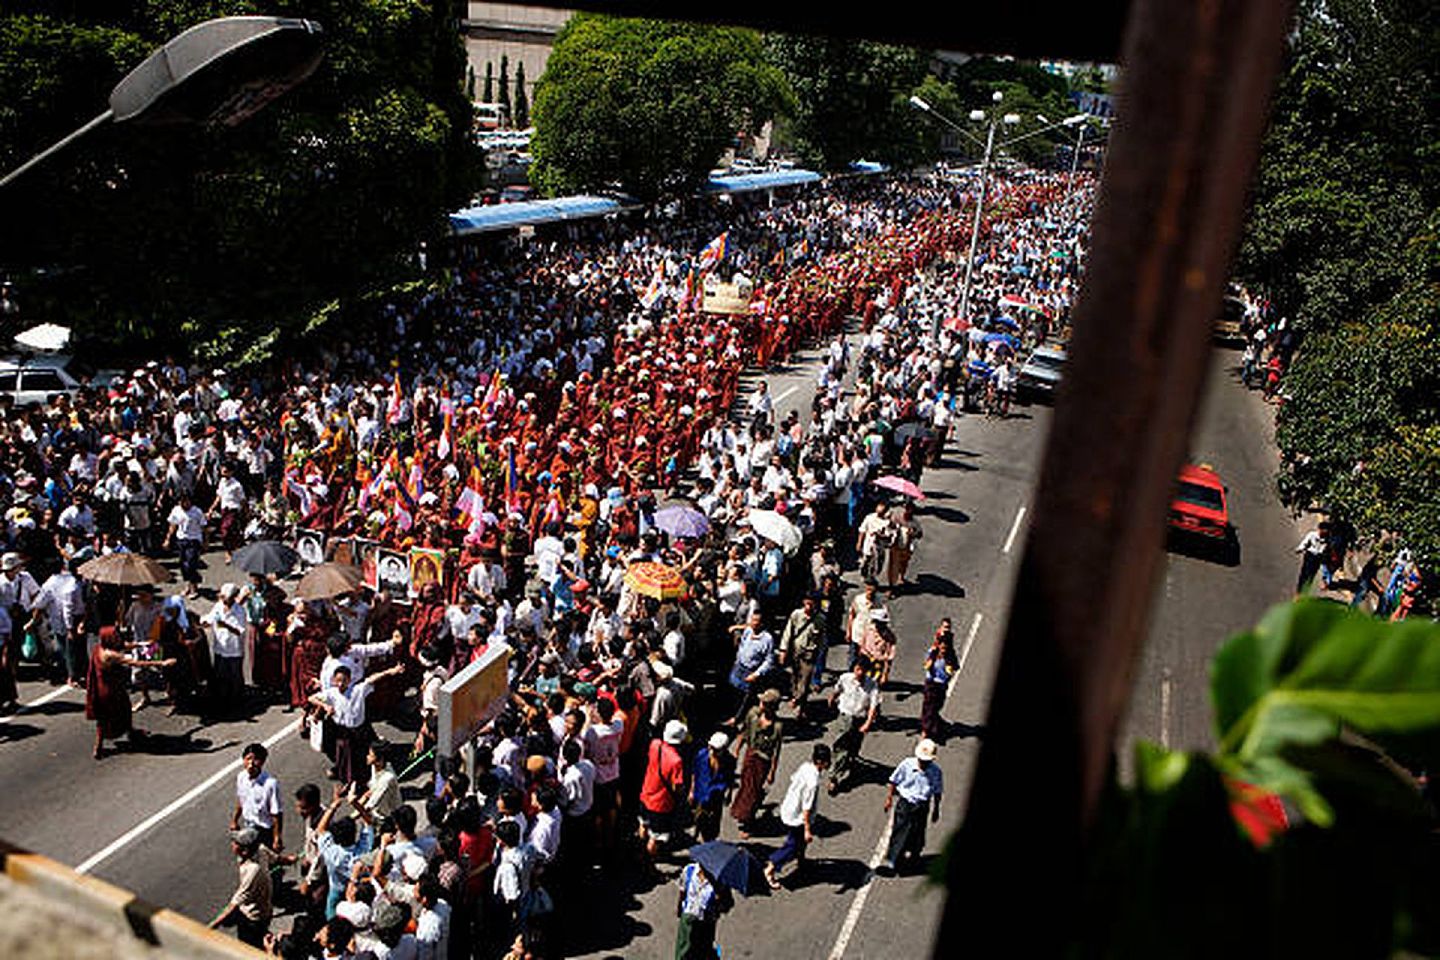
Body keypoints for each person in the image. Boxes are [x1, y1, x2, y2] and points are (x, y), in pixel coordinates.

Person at [308, 661, 406, 788]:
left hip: (360, 730)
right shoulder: (331, 693)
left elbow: (372, 679)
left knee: (364, 758)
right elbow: (312, 698)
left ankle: (367, 782)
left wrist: (390, 671)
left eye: (343, 681)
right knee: (345, 759)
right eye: (337, 681)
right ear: (333, 680)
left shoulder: (358, 690)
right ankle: (348, 782)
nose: (340, 684)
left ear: (349, 680)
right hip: (342, 732)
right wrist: (325, 706)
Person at [86, 625, 174, 759]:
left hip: (104, 688)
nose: (118, 638)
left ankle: (124, 734)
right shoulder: (110, 655)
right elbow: (136, 662)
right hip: (110, 691)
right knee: (116, 713)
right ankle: (101, 745)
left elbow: (124, 645)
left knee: (109, 715)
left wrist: (141, 644)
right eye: (115, 636)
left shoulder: (100, 648)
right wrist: (162, 663)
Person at [764, 743, 831, 889]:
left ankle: (801, 861)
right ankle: (771, 867)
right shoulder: (813, 782)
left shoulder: (806, 766)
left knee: (799, 841)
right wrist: (807, 829)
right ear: (821, 762)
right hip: (796, 816)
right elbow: (806, 808)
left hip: (789, 807)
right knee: (793, 845)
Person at [878, 738, 944, 876]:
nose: (924, 763)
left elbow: (937, 791)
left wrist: (936, 809)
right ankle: (892, 862)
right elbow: (893, 781)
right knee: (899, 832)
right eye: (922, 759)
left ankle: (913, 857)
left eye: (927, 761)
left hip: (922, 806)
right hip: (906, 804)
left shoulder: (936, 772)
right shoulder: (907, 764)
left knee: (918, 833)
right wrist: (889, 799)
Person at [208, 826, 275, 948]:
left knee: (249, 944)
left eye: (236, 843)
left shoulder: (252, 871)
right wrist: (289, 860)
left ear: (245, 850)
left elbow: (234, 904)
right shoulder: (261, 850)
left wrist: (212, 926)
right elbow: (276, 859)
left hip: (254, 917)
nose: (232, 844)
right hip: (264, 909)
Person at [729, 689, 783, 838]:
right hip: (750, 756)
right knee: (746, 787)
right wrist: (737, 750)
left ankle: (748, 821)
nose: (760, 704)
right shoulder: (753, 714)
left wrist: (772, 771)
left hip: (763, 762)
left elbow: (776, 751)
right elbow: (744, 732)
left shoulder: (777, 726)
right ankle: (744, 814)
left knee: (752, 791)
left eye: (764, 703)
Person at [827, 658, 880, 794]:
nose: (859, 672)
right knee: (841, 747)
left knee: (854, 747)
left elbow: (873, 706)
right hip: (845, 717)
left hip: (859, 719)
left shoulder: (872, 685)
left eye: (862, 670)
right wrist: (832, 698)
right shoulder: (845, 678)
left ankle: (848, 764)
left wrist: (868, 723)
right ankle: (834, 777)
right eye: (857, 669)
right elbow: (837, 689)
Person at [638, 718, 689, 859]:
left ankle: (640, 849)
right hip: (661, 804)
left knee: (644, 823)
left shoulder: (655, 745)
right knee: (656, 836)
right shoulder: (676, 760)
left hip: (646, 793)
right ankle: (649, 860)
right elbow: (677, 786)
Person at [674, 858, 733, 960]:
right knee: (683, 949)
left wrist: (720, 897)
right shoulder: (689, 870)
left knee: (703, 950)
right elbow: (682, 892)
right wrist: (679, 909)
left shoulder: (720, 880)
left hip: (707, 922)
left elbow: (727, 905)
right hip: (688, 919)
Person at [205, 583, 249, 714]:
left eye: (227, 598)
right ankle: (221, 700)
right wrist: (204, 622)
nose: (224, 600)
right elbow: (210, 618)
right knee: (220, 675)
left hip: (234, 649)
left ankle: (237, 701)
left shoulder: (239, 611)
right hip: (220, 647)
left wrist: (225, 625)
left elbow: (239, 631)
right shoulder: (218, 606)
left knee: (235, 676)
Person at [232, 742, 284, 851]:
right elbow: (241, 800)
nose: (251, 763)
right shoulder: (241, 777)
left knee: (270, 860)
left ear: (262, 761)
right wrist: (235, 820)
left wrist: (277, 837)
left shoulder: (270, 784)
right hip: (249, 825)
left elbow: (276, 814)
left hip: (264, 830)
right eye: (248, 759)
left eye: (255, 759)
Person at [778, 592, 825, 715]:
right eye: (807, 602)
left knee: (805, 681)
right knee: (794, 678)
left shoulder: (820, 619)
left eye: (811, 603)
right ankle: (798, 698)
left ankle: (799, 703)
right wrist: (783, 650)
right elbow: (788, 632)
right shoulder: (796, 615)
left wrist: (819, 655)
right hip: (795, 652)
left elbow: (822, 639)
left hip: (809, 655)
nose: (809, 606)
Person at [689, 731, 734, 843]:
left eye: (716, 750)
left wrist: (729, 794)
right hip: (701, 793)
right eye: (711, 748)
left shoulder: (729, 761)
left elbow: (730, 778)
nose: (712, 751)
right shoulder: (701, 755)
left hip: (716, 796)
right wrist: (691, 790)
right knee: (699, 818)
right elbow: (695, 773)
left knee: (713, 823)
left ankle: (709, 841)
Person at [921, 620, 959, 741]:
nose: (943, 648)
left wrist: (950, 671)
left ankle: (937, 725)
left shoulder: (950, 657)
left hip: (941, 685)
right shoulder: (932, 653)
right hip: (931, 683)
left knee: (936, 707)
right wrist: (930, 661)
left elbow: (954, 668)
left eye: (945, 646)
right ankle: (927, 731)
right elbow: (926, 665)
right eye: (941, 646)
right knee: (928, 708)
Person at [887, 502, 922, 588]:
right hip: (896, 545)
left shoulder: (914, 522)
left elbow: (920, 534)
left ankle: (901, 576)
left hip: (907, 546)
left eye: (909, 511)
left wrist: (913, 533)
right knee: (893, 565)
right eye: (906, 510)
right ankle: (891, 584)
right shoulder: (897, 517)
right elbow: (889, 527)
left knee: (904, 563)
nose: (906, 512)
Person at [857, 502, 893, 585]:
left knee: (878, 563)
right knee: (865, 561)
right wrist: (859, 543)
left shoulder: (887, 522)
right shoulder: (869, 518)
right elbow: (862, 530)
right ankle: (865, 575)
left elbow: (889, 535)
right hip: (868, 545)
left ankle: (872, 577)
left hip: (879, 546)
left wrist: (880, 535)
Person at [1295, 521, 1331, 595]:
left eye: (1326, 531)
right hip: (1309, 556)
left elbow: (1327, 549)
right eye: (1323, 531)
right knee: (1304, 574)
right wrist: (1300, 549)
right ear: (1319, 529)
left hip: (1318, 558)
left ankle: (1305, 592)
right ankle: (1298, 592)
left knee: (1311, 576)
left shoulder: (1327, 539)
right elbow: (1305, 543)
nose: (1324, 533)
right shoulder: (1312, 535)